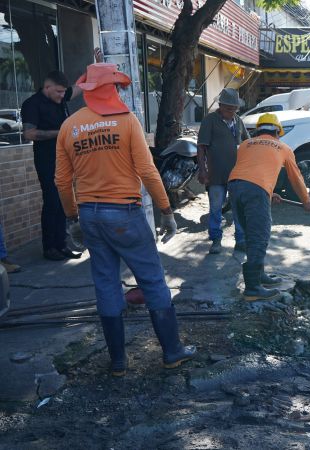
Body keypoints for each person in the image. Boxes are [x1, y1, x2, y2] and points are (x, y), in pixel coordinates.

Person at [55, 63, 194, 376]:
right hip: (124, 214)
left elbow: (62, 182)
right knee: (152, 280)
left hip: (90, 215)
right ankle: (172, 352)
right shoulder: (127, 122)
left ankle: (118, 362)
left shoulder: (70, 127)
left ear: (89, 90)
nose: (119, 91)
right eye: (116, 87)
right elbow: (147, 171)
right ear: (112, 89)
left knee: (105, 284)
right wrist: (167, 211)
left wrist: (72, 217)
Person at [21, 49, 102, 261]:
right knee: (52, 202)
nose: (61, 96)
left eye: (62, 92)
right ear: (47, 87)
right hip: (47, 159)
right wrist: (62, 132)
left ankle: (62, 244)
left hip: (66, 158)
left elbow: (80, 86)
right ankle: (50, 247)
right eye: (57, 92)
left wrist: (96, 66)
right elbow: (29, 133)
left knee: (65, 200)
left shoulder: (61, 95)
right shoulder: (32, 104)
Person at [228, 113, 310, 303]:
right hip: (254, 189)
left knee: (251, 233)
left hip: (234, 186)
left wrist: (268, 192)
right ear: (277, 132)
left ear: (258, 131)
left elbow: (250, 170)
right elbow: (295, 177)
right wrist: (306, 200)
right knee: (259, 235)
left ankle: (259, 277)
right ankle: (252, 289)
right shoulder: (283, 147)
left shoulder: (245, 145)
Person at [197, 88, 249, 255]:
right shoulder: (209, 120)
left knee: (238, 209)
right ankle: (216, 240)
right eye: (228, 108)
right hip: (216, 173)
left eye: (234, 109)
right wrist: (203, 170)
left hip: (237, 174)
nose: (231, 111)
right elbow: (201, 147)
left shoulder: (238, 121)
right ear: (220, 106)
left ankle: (240, 240)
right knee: (215, 208)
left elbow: (247, 143)